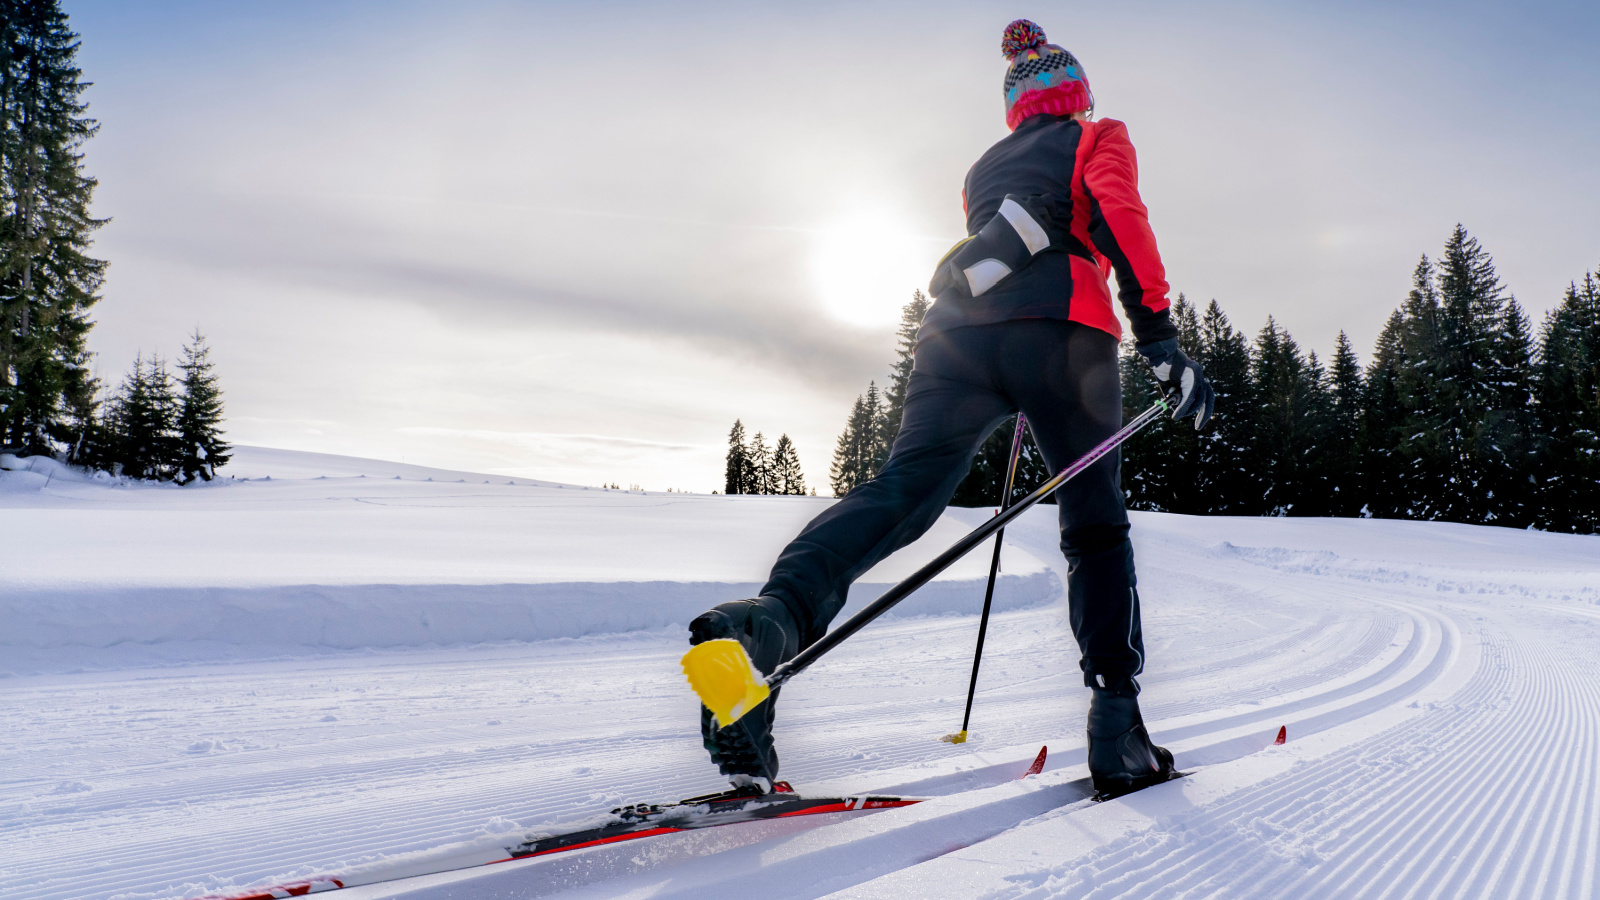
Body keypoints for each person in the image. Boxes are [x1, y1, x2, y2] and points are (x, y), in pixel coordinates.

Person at [689, 19, 1215, 799]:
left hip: (956, 337)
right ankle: (1117, 723)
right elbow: (1116, 214)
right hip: (1064, 337)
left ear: (1015, 106)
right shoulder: (1097, 136)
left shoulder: (982, 169)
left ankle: (769, 623)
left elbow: (1005, 242)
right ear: (1077, 92)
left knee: (903, 492)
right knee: (1095, 525)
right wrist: (1161, 338)